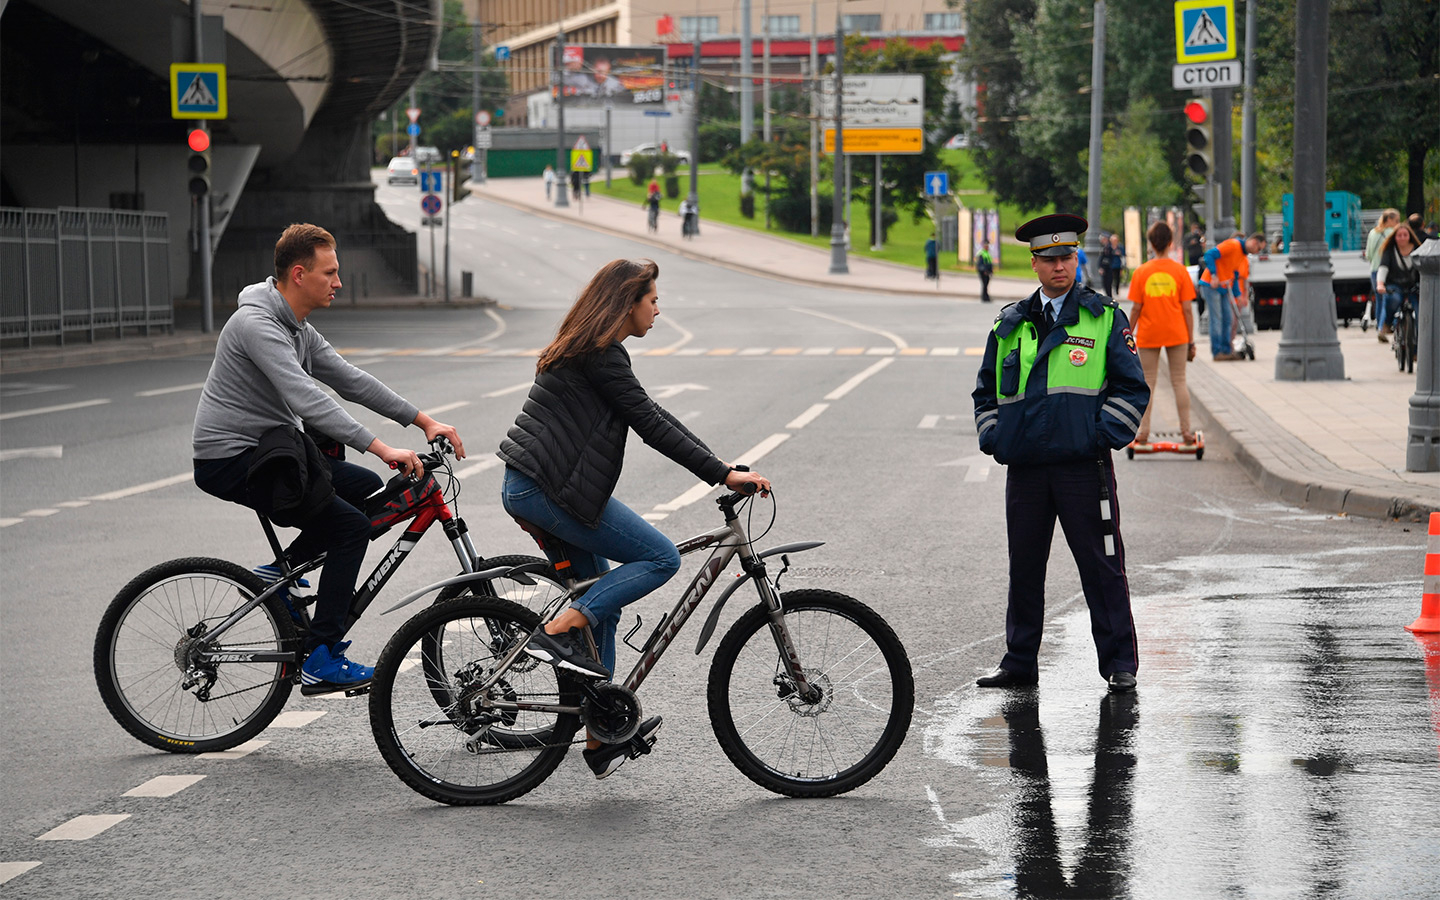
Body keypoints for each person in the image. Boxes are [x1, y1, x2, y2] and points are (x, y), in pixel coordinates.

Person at [497, 258, 771, 777]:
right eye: (652, 300)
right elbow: (649, 423)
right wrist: (721, 475)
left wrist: (721, 467)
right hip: (547, 490)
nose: (658, 309)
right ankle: (555, 632)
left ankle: (600, 736)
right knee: (660, 557)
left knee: (603, 601)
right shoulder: (601, 355)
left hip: (543, 487)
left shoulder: (594, 351)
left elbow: (653, 413)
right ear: (627, 302)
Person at [192, 224, 467, 695]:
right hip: (231, 458)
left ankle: (280, 573)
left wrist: (422, 421)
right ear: (299, 275)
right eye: (331, 272)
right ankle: (321, 655)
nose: (339, 281)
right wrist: (381, 447)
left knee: (361, 487)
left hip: (271, 451)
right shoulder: (257, 325)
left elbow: (350, 379)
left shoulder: (296, 326)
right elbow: (307, 398)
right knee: (350, 527)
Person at [971, 214, 1149, 694]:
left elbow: (1133, 389)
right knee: (1024, 568)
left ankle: (1119, 663)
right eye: (1049, 259)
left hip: (1082, 468)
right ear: (1034, 263)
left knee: (1102, 565)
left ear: (1077, 258)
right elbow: (985, 392)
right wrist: (995, 437)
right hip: (1027, 469)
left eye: (1067, 257)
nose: (1059, 267)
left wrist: (1102, 434)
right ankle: (1019, 663)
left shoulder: (1103, 317)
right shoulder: (1009, 324)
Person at [1127, 221, 1197, 445]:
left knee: (1148, 383)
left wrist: (1127, 334)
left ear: (1150, 244)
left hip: (1149, 334)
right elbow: (1187, 308)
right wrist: (1191, 339)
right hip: (1177, 333)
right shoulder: (1180, 271)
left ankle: (1143, 432)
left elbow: (1136, 308)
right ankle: (1186, 432)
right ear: (1170, 242)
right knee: (1179, 381)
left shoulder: (1141, 272)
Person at [1198, 232, 1264, 361]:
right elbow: (1209, 255)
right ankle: (1217, 352)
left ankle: (1227, 350)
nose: (1257, 252)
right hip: (1211, 285)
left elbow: (1233, 274)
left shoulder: (1242, 255)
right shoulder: (1233, 245)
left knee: (1228, 319)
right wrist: (1214, 275)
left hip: (1224, 287)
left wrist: (1238, 295)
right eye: (1259, 248)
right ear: (1254, 242)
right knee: (1217, 319)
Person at [1375, 222, 1423, 341]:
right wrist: (1380, 284)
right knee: (1393, 299)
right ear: (1394, 237)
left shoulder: (1418, 250)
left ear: (1410, 236)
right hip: (1395, 285)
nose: (1402, 238)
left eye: (1405, 235)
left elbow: (1423, 269)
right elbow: (1383, 268)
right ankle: (1388, 322)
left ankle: (1416, 350)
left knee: (1419, 314)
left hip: (1413, 287)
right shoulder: (1389, 251)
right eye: (1399, 235)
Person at [1367, 209, 1400, 340]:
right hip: (1388, 270)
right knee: (1390, 298)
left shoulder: (1373, 233)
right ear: (1390, 220)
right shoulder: (1393, 233)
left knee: (1379, 300)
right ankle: (1386, 326)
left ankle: (1379, 327)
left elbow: (1368, 254)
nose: (1398, 223)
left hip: (1374, 270)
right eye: (1396, 220)